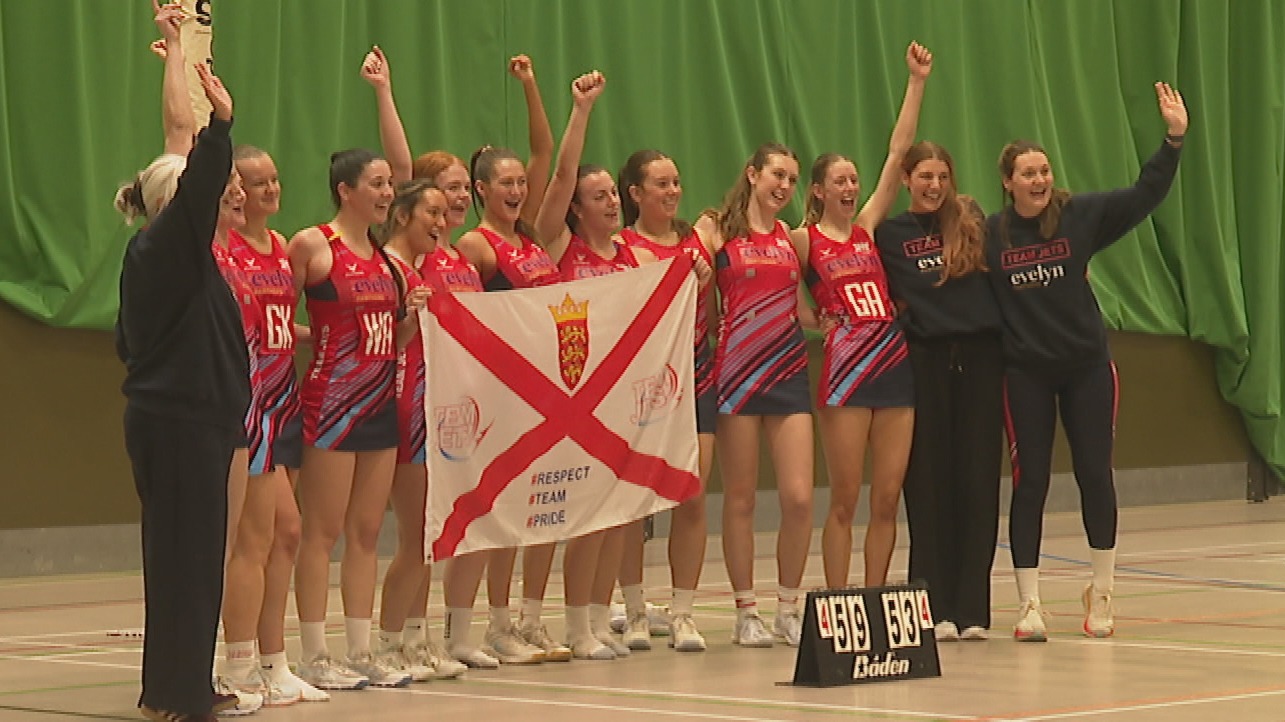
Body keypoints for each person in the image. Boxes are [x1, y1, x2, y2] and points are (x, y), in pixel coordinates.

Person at [368, 48, 556, 669]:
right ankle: (394, 641)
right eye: (443, 191)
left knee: (460, 522)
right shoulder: (412, 258)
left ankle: (440, 637)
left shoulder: (455, 259)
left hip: (467, 405)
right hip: (412, 403)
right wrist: (384, 90)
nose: (451, 201)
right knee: (419, 532)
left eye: (455, 191)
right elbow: (399, 170)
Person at [987, 82, 1188, 641]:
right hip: (1025, 372)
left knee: (1095, 474)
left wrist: (1173, 140)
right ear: (1008, 182)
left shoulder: (1080, 216)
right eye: (1027, 173)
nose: (1039, 180)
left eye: (1044, 170)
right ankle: (1029, 604)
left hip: (1086, 368)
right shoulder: (992, 235)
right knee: (1030, 482)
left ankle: (1102, 593)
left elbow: (1145, 194)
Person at [114, 3, 245, 718]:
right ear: (181, 201)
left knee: (191, 561)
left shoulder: (176, 257)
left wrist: (174, 53)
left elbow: (174, 138)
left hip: (191, 424)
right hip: (179, 425)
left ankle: (181, 685)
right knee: (183, 563)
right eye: (213, 194)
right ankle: (175, 694)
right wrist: (220, 125)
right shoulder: (165, 247)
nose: (227, 201)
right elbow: (190, 161)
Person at [791, 41, 932, 594]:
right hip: (846, 373)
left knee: (888, 497)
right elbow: (771, 285)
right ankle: (838, 601)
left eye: (854, 180)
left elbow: (898, 155)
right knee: (846, 498)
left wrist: (916, 82)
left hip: (893, 367)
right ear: (819, 190)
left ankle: (874, 599)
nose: (851, 188)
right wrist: (813, 319)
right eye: (841, 181)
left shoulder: (868, 227)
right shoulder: (804, 240)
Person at [288, 146, 426, 688]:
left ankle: (362, 650)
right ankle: (314, 654)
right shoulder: (313, 245)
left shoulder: (388, 262)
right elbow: (273, 311)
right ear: (345, 190)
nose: (387, 193)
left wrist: (412, 320)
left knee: (367, 532)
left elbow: (392, 340)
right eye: (377, 183)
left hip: (380, 407)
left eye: (390, 184)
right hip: (330, 407)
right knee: (321, 532)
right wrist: (314, 338)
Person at [875, 139, 999, 642]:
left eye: (942, 177)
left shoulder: (972, 222)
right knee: (927, 481)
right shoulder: (890, 234)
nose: (935, 186)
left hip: (980, 360)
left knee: (977, 481)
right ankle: (932, 606)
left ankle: (973, 609)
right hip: (923, 362)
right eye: (925, 176)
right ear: (907, 179)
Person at [696, 143, 813, 648]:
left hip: (788, 372)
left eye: (791, 179)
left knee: (799, 498)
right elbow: (690, 277)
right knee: (740, 498)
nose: (784, 186)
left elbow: (801, 305)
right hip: (737, 374)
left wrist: (841, 318)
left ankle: (788, 607)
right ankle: (746, 611)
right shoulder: (716, 228)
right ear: (752, 174)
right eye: (776, 175)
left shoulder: (790, 236)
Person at [230, 145, 330, 700]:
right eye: (257, 182)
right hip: (246, 406)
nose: (270, 189)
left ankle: (275, 662)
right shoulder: (224, 249)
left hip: (282, 400)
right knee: (260, 536)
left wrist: (315, 335)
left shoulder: (278, 245)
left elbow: (278, 322)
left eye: (274, 179)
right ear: (235, 190)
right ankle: (240, 662)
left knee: (285, 533)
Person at [617, 149, 717, 651]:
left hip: (697, 377)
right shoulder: (621, 247)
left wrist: (705, 277)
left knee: (692, 494)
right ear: (635, 193)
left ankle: (683, 612)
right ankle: (635, 609)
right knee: (634, 501)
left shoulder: (696, 242)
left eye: (676, 181)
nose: (673, 191)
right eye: (661, 184)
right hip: (642, 387)